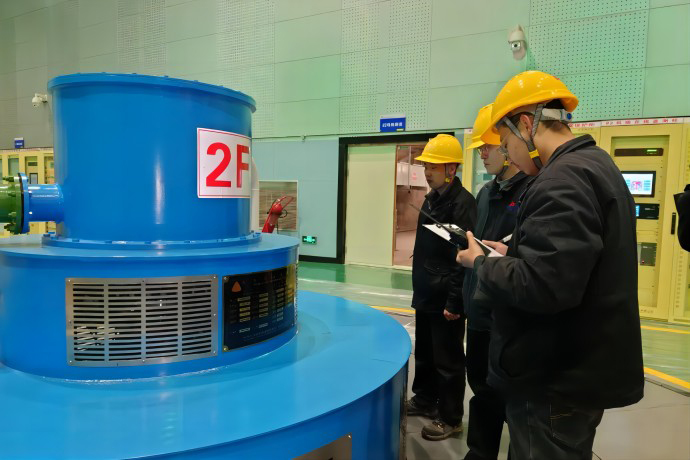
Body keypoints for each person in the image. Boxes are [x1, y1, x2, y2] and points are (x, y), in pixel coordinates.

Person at [456, 71, 644, 460]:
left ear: (526, 124)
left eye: (505, 142)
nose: (508, 154)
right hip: (579, 369)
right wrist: (512, 253)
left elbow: (544, 286)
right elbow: (572, 265)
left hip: (555, 378)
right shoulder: (596, 165)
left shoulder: (561, 180)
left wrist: (481, 262)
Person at [462, 104, 529, 460]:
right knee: (481, 388)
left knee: (511, 397)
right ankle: (480, 453)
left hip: (507, 314)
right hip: (479, 309)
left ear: (507, 145)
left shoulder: (533, 191)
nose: (483, 154)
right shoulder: (486, 193)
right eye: (481, 148)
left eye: (489, 146)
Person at [406, 134, 477, 441]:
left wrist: (454, 300)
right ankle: (424, 398)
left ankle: (450, 417)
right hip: (426, 290)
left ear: (451, 168)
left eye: (433, 167)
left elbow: (463, 257)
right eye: (426, 166)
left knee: (448, 359)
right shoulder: (432, 198)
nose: (427, 172)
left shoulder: (462, 204)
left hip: (446, 294)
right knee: (424, 352)